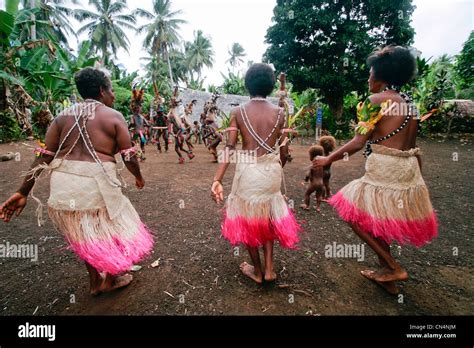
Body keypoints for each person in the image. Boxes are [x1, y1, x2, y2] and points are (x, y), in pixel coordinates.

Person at [0, 67, 154, 295]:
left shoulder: (62, 117)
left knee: (83, 231)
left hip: (64, 184)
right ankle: (110, 279)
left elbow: (44, 156)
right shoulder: (113, 116)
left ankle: (94, 282)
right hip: (96, 182)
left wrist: (23, 191)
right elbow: (129, 155)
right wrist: (138, 176)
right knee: (112, 225)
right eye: (111, 90)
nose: (113, 95)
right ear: (102, 91)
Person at [313, 46, 438, 295]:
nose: (368, 78)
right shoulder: (410, 106)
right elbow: (412, 145)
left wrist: (328, 160)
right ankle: (387, 276)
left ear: (380, 76)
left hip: (386, 168)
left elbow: (359, 142)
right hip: (408, 168)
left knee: (353, 215)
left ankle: (393, 266)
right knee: (380, 218)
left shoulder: (375, 102)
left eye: (370, 73)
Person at [211, 63, 301, 285]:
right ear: (271, 87)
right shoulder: (281, 113)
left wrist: (217, 179)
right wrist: (275, 169)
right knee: (268, 216)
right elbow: (284, 151)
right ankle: (270, 269)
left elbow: (230, 148)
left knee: (248, 219)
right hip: (271, 172)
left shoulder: (237, 112)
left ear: (246, 85)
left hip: (248, 172)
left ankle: (258, 271)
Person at [300, 145, 325, 212]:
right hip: (321, 183)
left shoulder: (313, 165)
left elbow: (308, 174)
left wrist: (306, 179)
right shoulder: (322, 165)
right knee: (318, 195)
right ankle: (318, 207)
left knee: (307, 194)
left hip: (314, 183)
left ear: (311, 155)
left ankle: (307, 206)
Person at [129, 89, 150, 160]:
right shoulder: (142, 117)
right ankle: (141, 153)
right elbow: (147, 124)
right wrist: (146, 126)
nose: (139, 109)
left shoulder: (133, 116)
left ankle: (140, 155)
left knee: (134, 143)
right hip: (142, 133)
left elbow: (131, 123)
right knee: (141, 143)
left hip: (136, 132)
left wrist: (128, 127)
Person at [318, 135, 337, 200]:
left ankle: (322, 197)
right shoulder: (330, 155)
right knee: (327, 184)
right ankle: (328, 195)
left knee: (322, 185)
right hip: (328, 171)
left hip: (322, 172)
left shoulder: (321, 155)